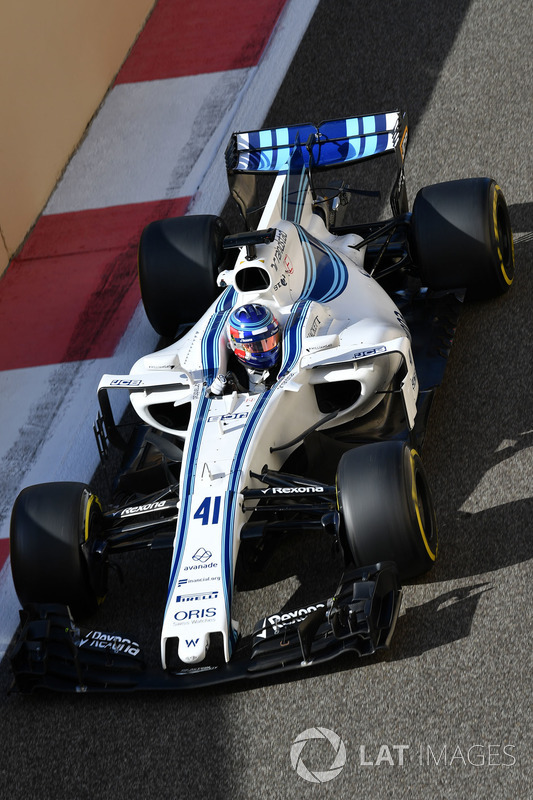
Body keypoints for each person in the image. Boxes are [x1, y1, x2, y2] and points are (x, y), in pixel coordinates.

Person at [208, 304, 281, 395]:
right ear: (235, 345)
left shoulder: (285, 359)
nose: (264, 350)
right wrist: (220, 391)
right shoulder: (232, 373)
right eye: (254, 345)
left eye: (269, 341)